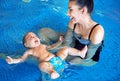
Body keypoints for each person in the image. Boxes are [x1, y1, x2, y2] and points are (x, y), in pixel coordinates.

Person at [38, 0, 104, 66]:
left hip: (86, 57)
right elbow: (66, 43)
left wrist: (50, 50)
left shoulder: (97, 32)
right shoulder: (73, 22)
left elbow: (86, 57)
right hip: (74, 43)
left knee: (68, 60)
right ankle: (46, 52)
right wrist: (49, 49)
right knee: (43, 32)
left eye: (71, 10)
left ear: (83, 10)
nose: (67, 13)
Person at [6, 32, 87, 79]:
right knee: (41, 65)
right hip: (49, 65)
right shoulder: (29, 52)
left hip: (57, 59)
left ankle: (80, 53)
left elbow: (52, 47)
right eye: (30, 37)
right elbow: (21, 59)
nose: (34, 37)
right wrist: (12, 61)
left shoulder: (43, 45)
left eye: (35, 36)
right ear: (26, 44)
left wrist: (59, 42)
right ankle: (52, 72)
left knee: (65, 49)